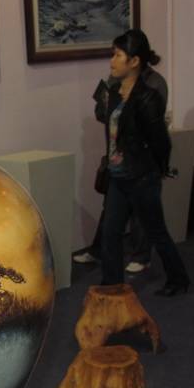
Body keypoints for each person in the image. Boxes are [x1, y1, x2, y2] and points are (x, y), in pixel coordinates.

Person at [99, 29, 190, 295]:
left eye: (118, 55)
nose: (112, 61)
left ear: (134, 61)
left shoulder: (148, 97)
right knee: (110, 233)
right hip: (118, 175)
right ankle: (112, 286)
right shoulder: (114, 92)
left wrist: (157, 170)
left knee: (156, 231)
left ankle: (178, 279)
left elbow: (161, 141)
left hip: (140, 176)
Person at [74, 65, 170, 273]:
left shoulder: (155, 82)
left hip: (141, 157)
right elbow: (102, 114)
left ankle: (141, 257)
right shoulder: (115, 79)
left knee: (140, 209)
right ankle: (99, 250)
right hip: (117, 156)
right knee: (111, 208)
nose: (115, 60)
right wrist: (108, 98)